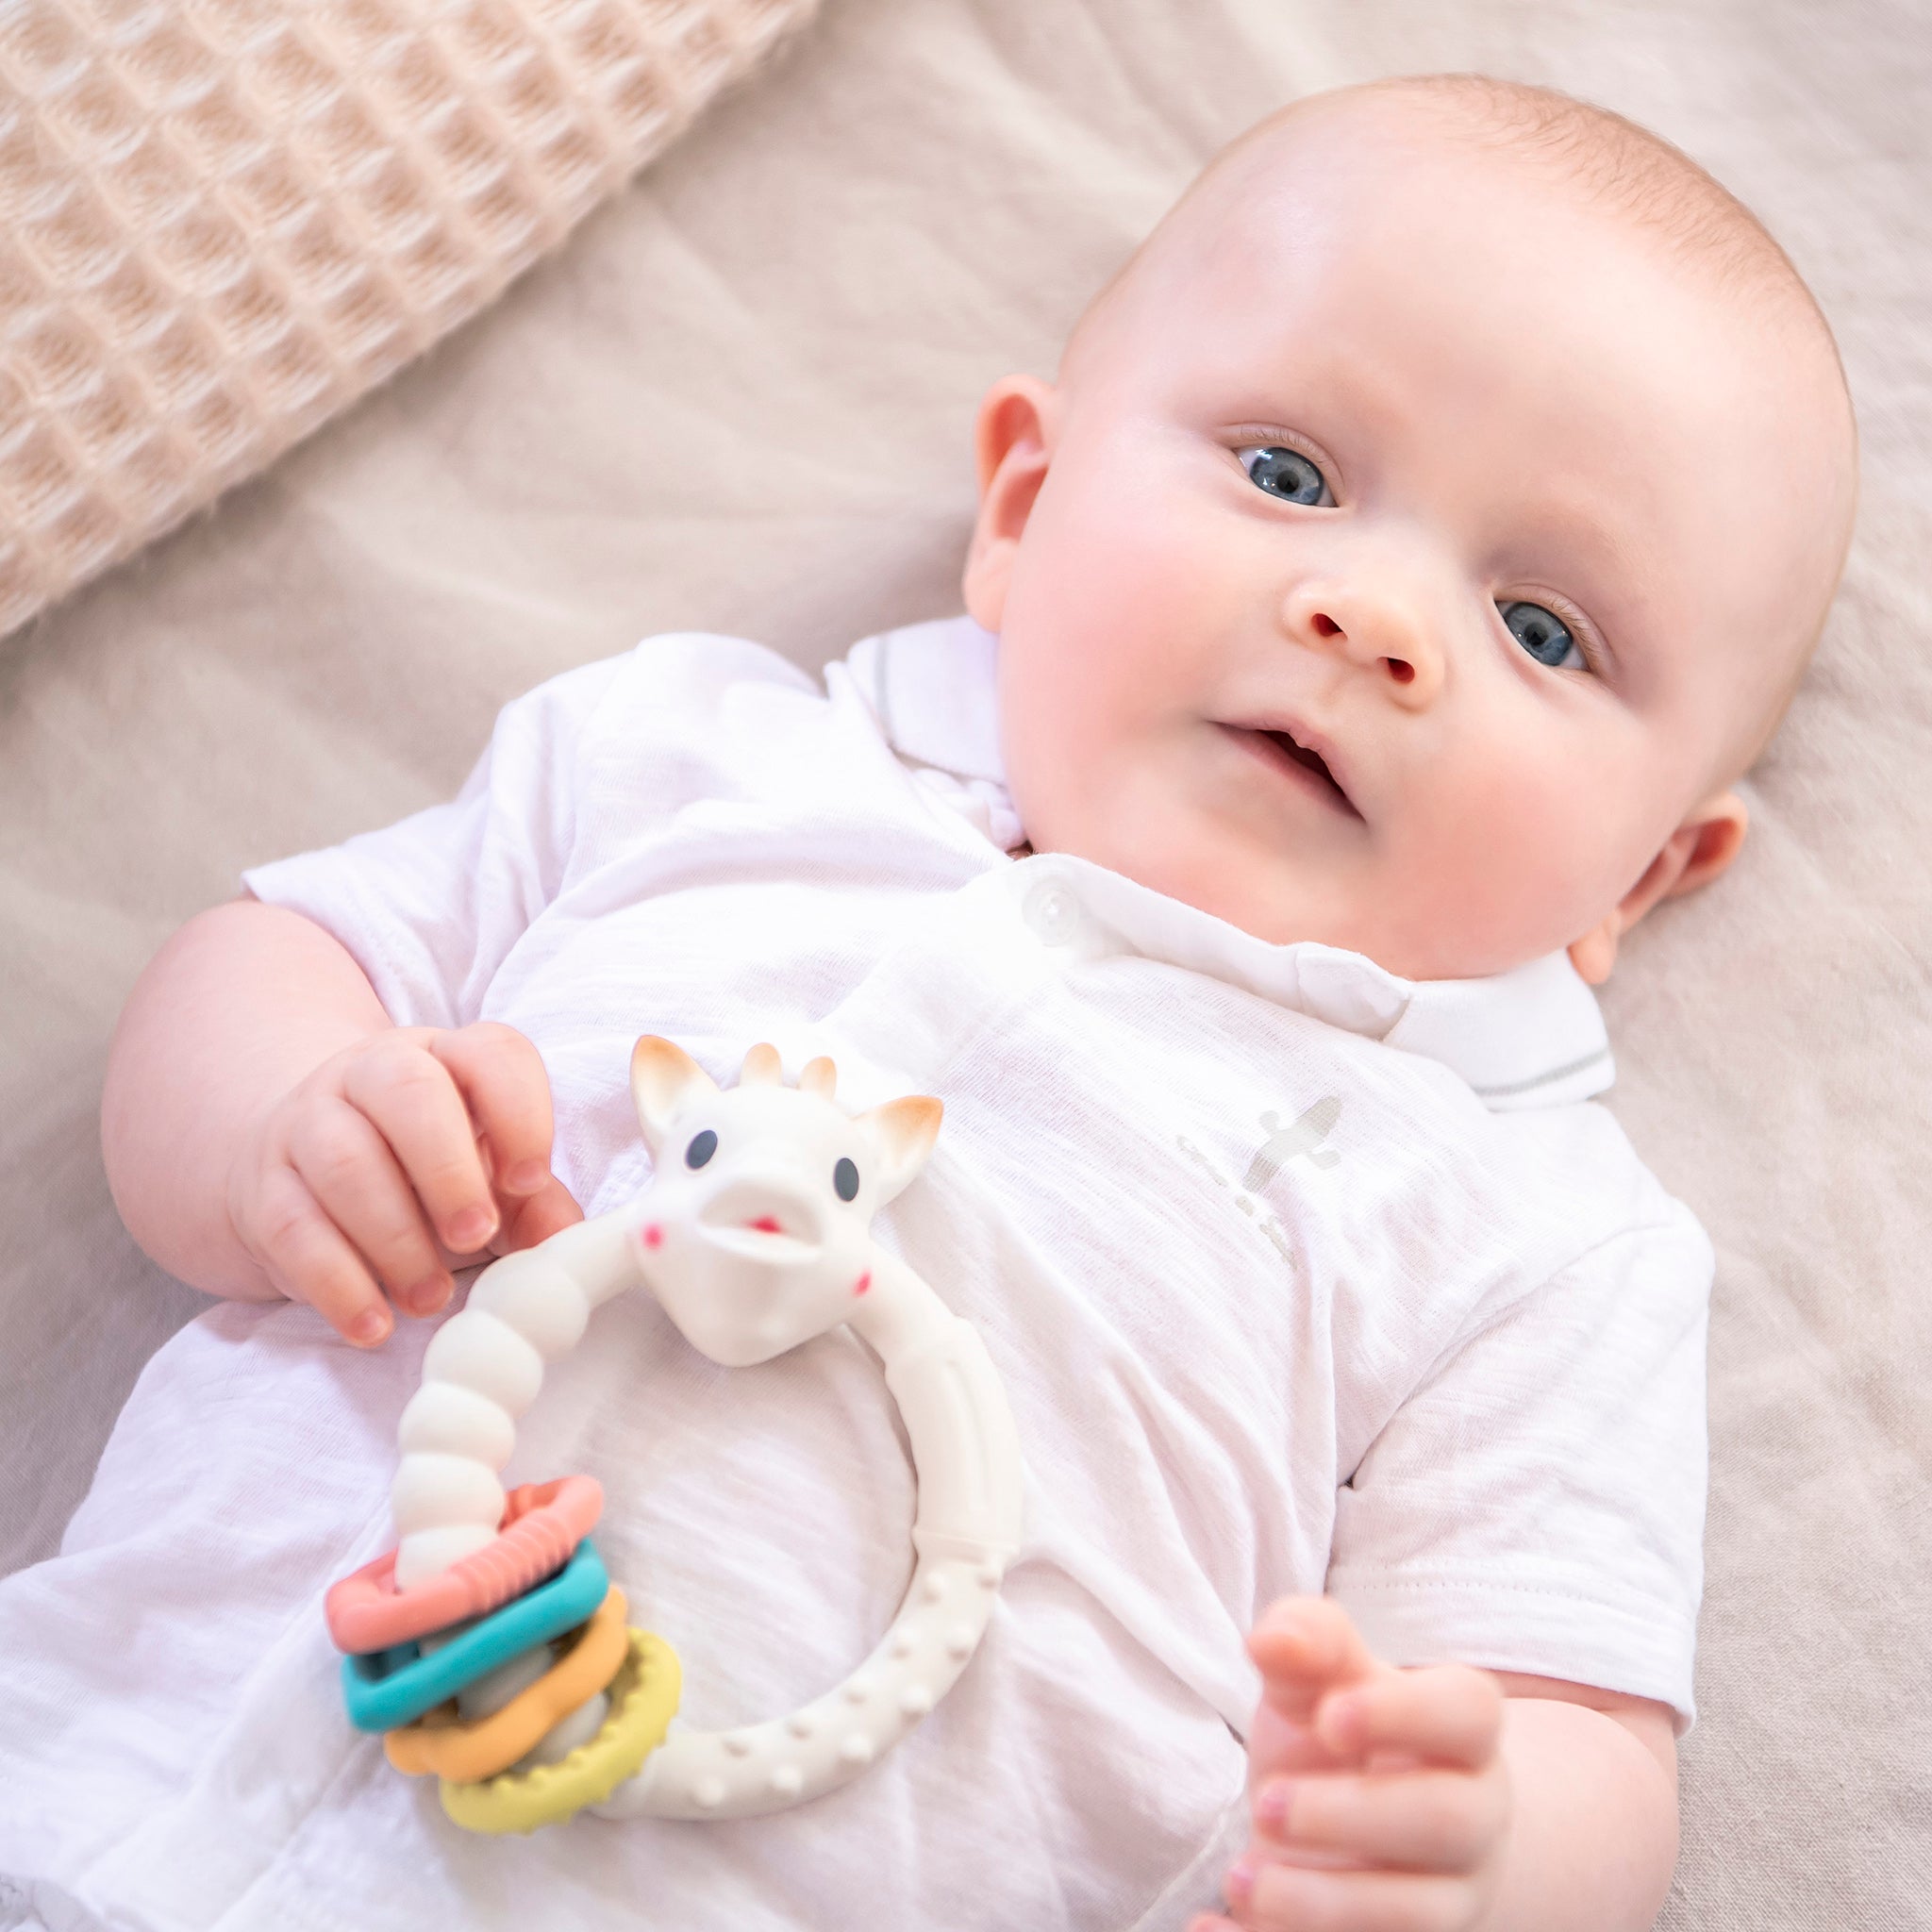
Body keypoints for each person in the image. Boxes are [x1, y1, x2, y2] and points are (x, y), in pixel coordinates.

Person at [5, 73, 1855, 1932]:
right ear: (1025, 507)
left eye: (1546, 630)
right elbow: (278, 953)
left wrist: (1472, 1851)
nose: (1377, 619)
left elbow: (1576, 1718)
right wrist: (277, 1124)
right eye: (1287, 473)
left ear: (1635, 877)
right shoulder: (691, 750)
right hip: (97, 1765)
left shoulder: (1526, 1230)